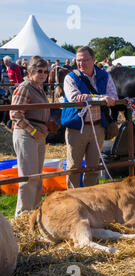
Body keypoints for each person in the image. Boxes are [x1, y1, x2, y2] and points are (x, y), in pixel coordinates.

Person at [62, 46, 118, 189]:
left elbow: (113, 97)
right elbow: (75, 98)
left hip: (98, 127)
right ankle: (73, 199)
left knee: (93, 167)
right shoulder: (70, 77)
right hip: (77, 128)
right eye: (79, 60)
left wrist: (88, 97)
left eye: (85, 60)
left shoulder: (104, 75)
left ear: (93, 60)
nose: (81, 63)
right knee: (74, 167)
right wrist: (101, 98)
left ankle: (91, 199)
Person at [10, 56, 57, 218]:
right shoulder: (25, 87)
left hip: (38, 133)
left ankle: (35, 212)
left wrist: (48, 121)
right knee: (28, 176)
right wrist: (34, 132)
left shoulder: (39, 87)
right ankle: (22, 215)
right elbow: (15, 114)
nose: (43, 74)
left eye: (45, 71)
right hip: (26, 134)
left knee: (36, 176)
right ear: (30, 72)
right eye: (39, 71)